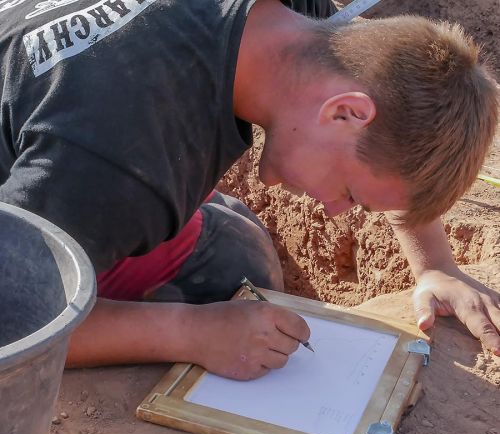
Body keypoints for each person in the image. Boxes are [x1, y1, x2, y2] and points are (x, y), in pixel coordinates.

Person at [0, 0, 498, 380]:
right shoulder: (122, 150)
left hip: (65, 154)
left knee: (234, 254)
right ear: (344, 112)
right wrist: (188, 333)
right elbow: (15, 323)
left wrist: (435, 264)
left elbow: (399, 114)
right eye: (351, 193)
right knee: (223, 288)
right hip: (40, 214)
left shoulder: (303, 32)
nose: (336, 210)